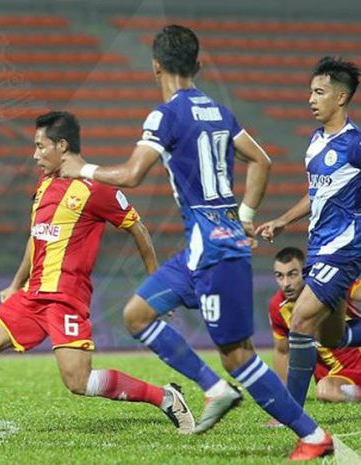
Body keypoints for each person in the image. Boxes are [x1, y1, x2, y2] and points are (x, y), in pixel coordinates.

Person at [60, 25, 332, 460]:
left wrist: (83, 169)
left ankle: (313, 435)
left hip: (214, 252)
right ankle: (214, 390)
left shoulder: (164, 115)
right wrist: (243, 216)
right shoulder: (220, 112)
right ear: (198, 66)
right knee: (136, 314)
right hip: (204, 247)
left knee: (238, 355)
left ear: (155, 66)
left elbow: (132, 174)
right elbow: (260, 161)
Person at [0, 111, 195, 439]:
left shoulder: (96, 187)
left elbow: (138, 228)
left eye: (40, 147)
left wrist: (156, 286)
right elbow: (38, 236)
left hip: (66, 298)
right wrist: (16, 283)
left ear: (62, 145)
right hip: (32, 295)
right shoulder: (44, 185)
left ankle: (166, 398)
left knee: (78, 382)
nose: (35, 155)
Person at [256, 57, 361, 416]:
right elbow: (317, 193)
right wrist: (284, 220)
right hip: (318, 250)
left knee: (299, 321)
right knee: (332, 337)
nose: (310, 99)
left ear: (342, 98)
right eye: (310, 92)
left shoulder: (354, 144)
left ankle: (291, 416)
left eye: (319, 92)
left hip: (343, 251)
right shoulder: (316, 142)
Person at [268, 247, 361, 405]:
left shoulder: (327, 283)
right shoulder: (278, 306)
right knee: (326, 392)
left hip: (357, 361)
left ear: (305, 271)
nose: (286, 284)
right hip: (334, 375)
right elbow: (282, 351)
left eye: (292, 274)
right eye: (279, 276)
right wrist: (284, 396)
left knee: (326, 391)